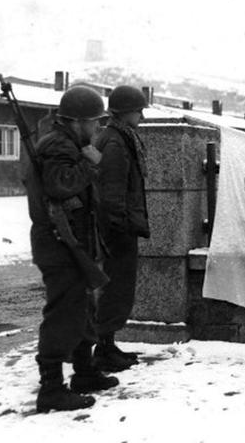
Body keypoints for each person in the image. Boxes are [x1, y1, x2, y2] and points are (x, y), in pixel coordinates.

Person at [26, 85, 119, 413]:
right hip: (58, 243)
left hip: (72, 241)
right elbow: (59, 184)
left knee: (82, 308)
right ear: (77, 122)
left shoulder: (68, 142)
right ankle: (51, 388)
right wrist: (90, 164)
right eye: (94, 122)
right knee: (64, 312)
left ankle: (84, 371)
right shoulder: (58, 145)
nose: (97, 129)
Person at [93, 85, 151, 372]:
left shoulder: (117, 137)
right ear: (125, 112)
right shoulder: (115, 142)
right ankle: (103, 349)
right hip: (117, 230)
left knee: (117, 288)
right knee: (116, 288)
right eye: (138, 110)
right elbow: (112, 191)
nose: (141, 115)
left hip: (118, 226)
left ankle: (107, 344)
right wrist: (118, 227)